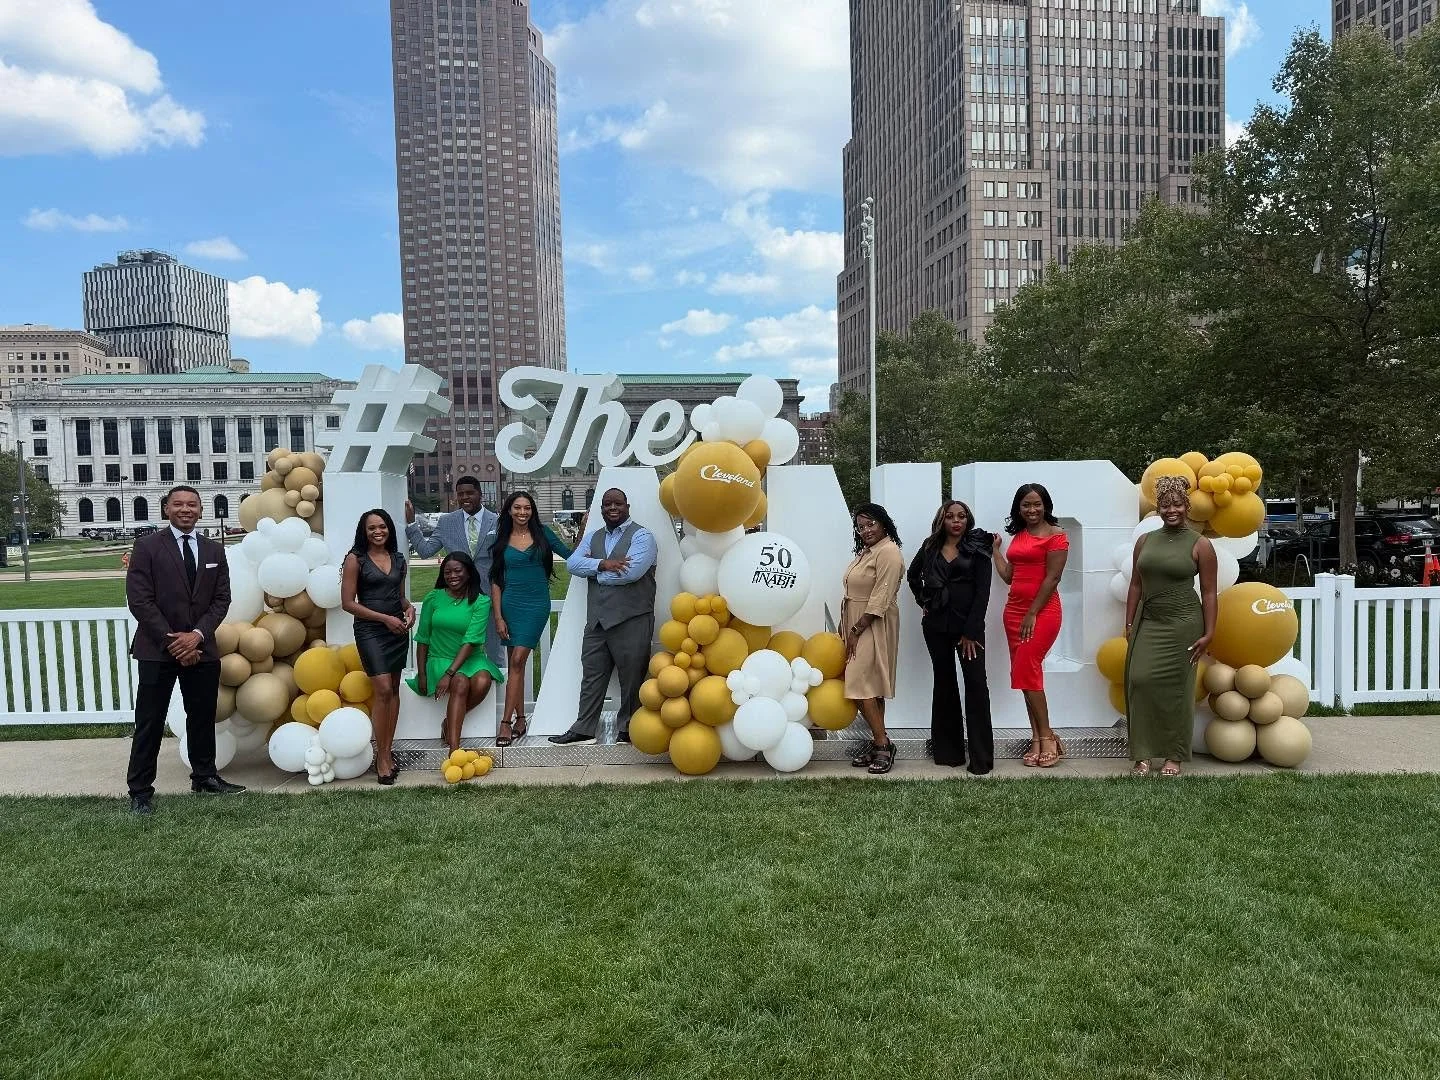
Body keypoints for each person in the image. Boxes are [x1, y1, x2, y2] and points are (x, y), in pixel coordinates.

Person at [124, 485, 245, 814]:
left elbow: (222, 600)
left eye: (192, 504)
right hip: (156, 649)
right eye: (178, 504)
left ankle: (204, 776)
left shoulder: (213, 551)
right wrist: (174, 640)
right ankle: (140, 791)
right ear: (166, 509)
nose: (185, 509)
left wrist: (196, 636)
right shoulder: (147, 547)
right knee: (150, 720)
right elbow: (140, 600)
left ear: (201, 510)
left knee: (202, 716)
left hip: (202, 649)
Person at [1124, 475, 1217, 777]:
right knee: (1139, 681)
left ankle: (1173, 757)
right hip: (1149, 622)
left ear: (1187, 506)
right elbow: (1136, 585)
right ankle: (1142, 754)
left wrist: (1209, 632)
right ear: (1159, 509)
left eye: (1177, 504)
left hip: (1184, 624)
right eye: (1165, 505)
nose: (1171, 510)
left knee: (1178, 690)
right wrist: (1128, 622)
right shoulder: (1145, 541)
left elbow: (1209, 592)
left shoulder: (1200, 545)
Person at [549, 488, 657, 746]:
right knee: (592, 675)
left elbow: (631, 573)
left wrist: (595, 573)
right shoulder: (595, 536)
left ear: (627, 506)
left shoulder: (643, 536)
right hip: (597, 620)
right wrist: (603, 564)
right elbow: (573, 564)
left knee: (632, 677)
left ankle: (629, 728)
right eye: (607, 504)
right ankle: (584, 728)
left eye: (617, 503)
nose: (612, 508)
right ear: (601, 509)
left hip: (632, 617)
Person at [907, 500, 994, 773]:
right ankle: (948, 753)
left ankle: (981, 759)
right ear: (941, 520)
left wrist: (970, 632)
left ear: (968, 520)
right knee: (944, 685)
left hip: (969, 630)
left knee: (976, 687)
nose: (956, 521)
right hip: (935, 628)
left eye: (961, 516)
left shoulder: (978, 547)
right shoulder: (930, 546)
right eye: (950, 516)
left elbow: (983, 593)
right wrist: (925, 601)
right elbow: (912, 576)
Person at [992, 483, 1069, 768]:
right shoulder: (1020, 536)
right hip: (1013, 612)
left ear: (1046, 505)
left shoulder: (1057, 537)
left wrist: (1032, 613)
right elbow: (1010, 576)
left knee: (1030, 671)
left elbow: (1053, 579)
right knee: (1025, 677)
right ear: (1019, 509)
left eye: (1037, 504)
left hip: (1042, 612)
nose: (1032, 509)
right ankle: (1036, 739)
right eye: (1026, 505)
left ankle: (1049, 739)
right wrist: (996, 552)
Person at [489, 491, 572, 746]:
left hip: (536, 605)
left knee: (517, 660)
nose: (522, 512)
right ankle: (521, 718)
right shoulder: (502, 539)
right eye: (517, 508)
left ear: (532, 511)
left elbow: (571, 555)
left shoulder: (543, 534)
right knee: (518, 665)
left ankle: (505, 723)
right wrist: (499, 617)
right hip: (510, 605)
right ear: (509, 510)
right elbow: (496, 581)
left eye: (527, 508)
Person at [341, 508, 415, 785]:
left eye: (382, 526)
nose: (378, 532)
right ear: (364, 532)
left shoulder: (398, 559)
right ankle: (381, 757)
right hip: (371, 630)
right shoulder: (355, 560)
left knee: (393, 690)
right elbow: (348, 603)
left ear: (389, 529)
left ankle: (387, 750)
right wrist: (384, 619)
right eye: (372, 528)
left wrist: (409, 611)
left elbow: (399, 597)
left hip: (397, 630)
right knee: (382, 689)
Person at [407, 552, 504, 756]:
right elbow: (423, 638)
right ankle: (454, 750)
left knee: (483, 680)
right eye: (447, 571)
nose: (452, 576)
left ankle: (448, 722)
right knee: (461, 682)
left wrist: (449, 674)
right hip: (440, 657)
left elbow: (471, 640)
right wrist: (422, 673)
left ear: (468, 572)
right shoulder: (433, 598)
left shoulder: (481, 601)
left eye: (458, 570)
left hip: (471, 657)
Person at [404, 476, 502, 670]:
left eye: (470, 493)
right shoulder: (447, 522)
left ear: (480, 494)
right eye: (460, 494)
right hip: (458, 596)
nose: (465, 497)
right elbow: (425, 551)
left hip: (490, 595)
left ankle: (496, 698)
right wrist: (411, 524)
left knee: (494, 651)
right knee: (458, 648)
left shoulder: (497, 521)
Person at [843, 503, 905, 775]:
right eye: (861, 526)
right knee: (870, 685)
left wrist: (856, 630)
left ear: (883, 524)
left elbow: (881, 597)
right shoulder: (867, 552)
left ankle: (882, 744)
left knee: (861, 686)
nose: (866, 530)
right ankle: (879, 742)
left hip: (872, 622)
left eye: (871, 524)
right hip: (856, 620)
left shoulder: (889, 552)